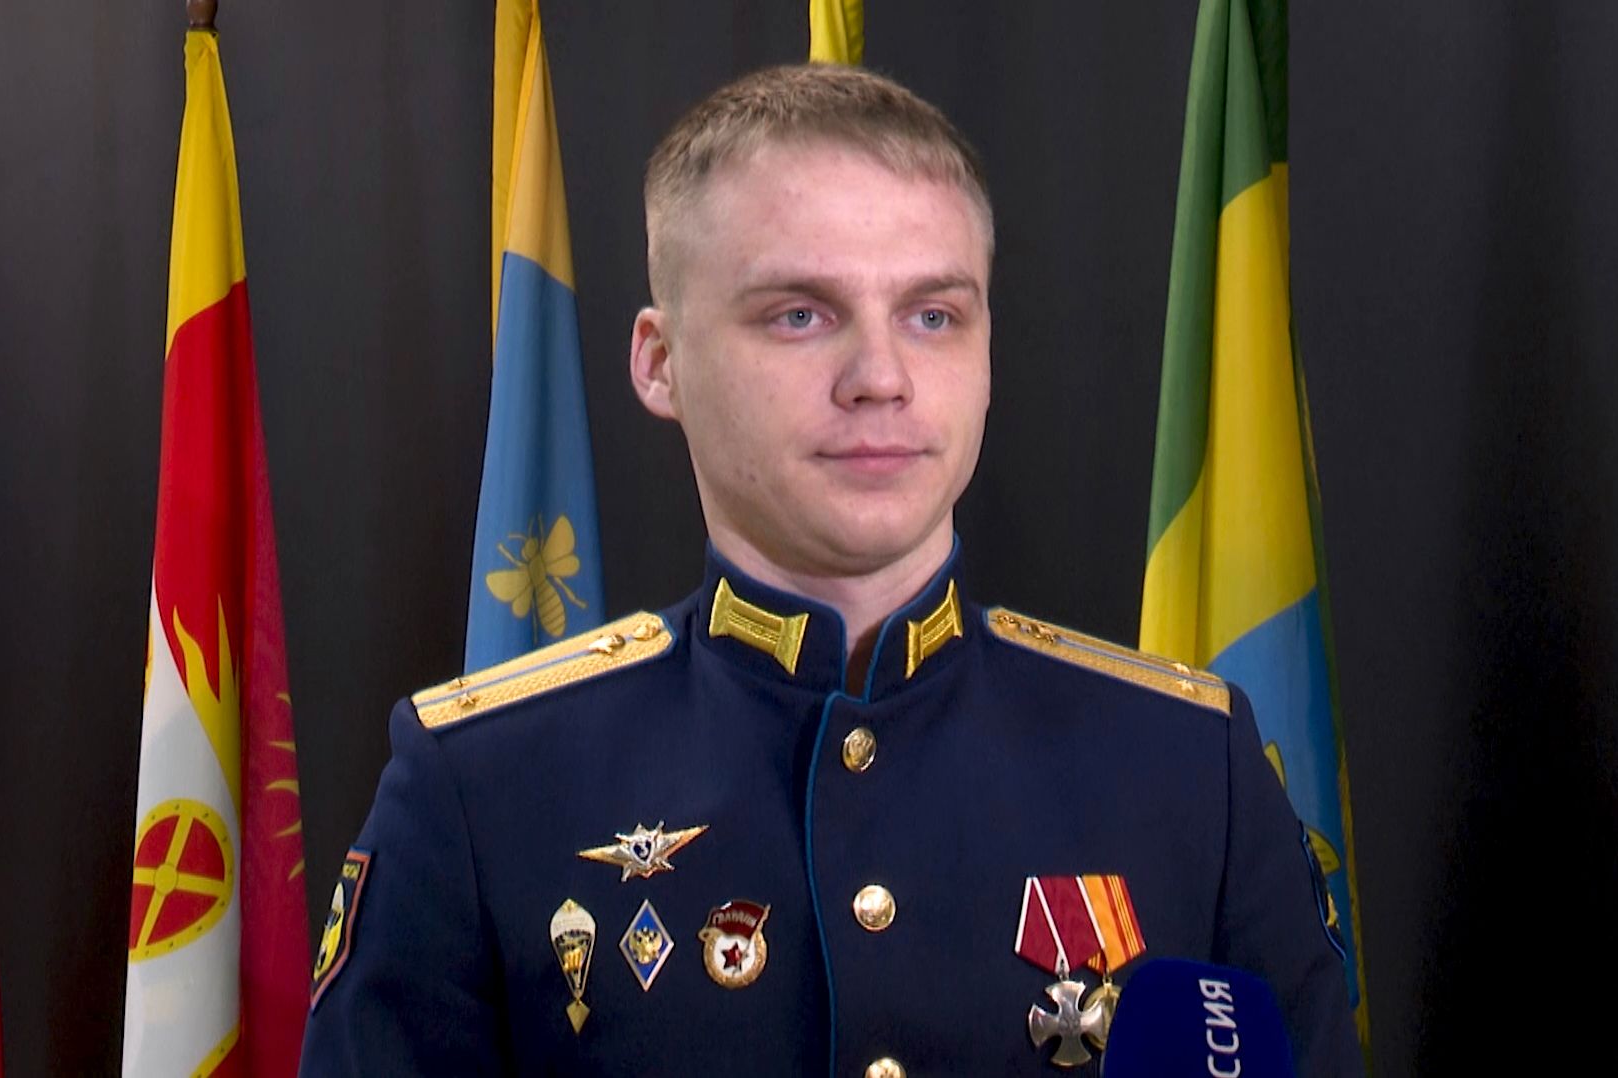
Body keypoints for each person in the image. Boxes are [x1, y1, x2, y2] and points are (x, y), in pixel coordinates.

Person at [299, 64, 1362, 1076]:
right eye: (800, 315)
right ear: (660, 363)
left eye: (933, 315)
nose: (881, 378)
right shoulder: (482, 784)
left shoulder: (1192, 770)